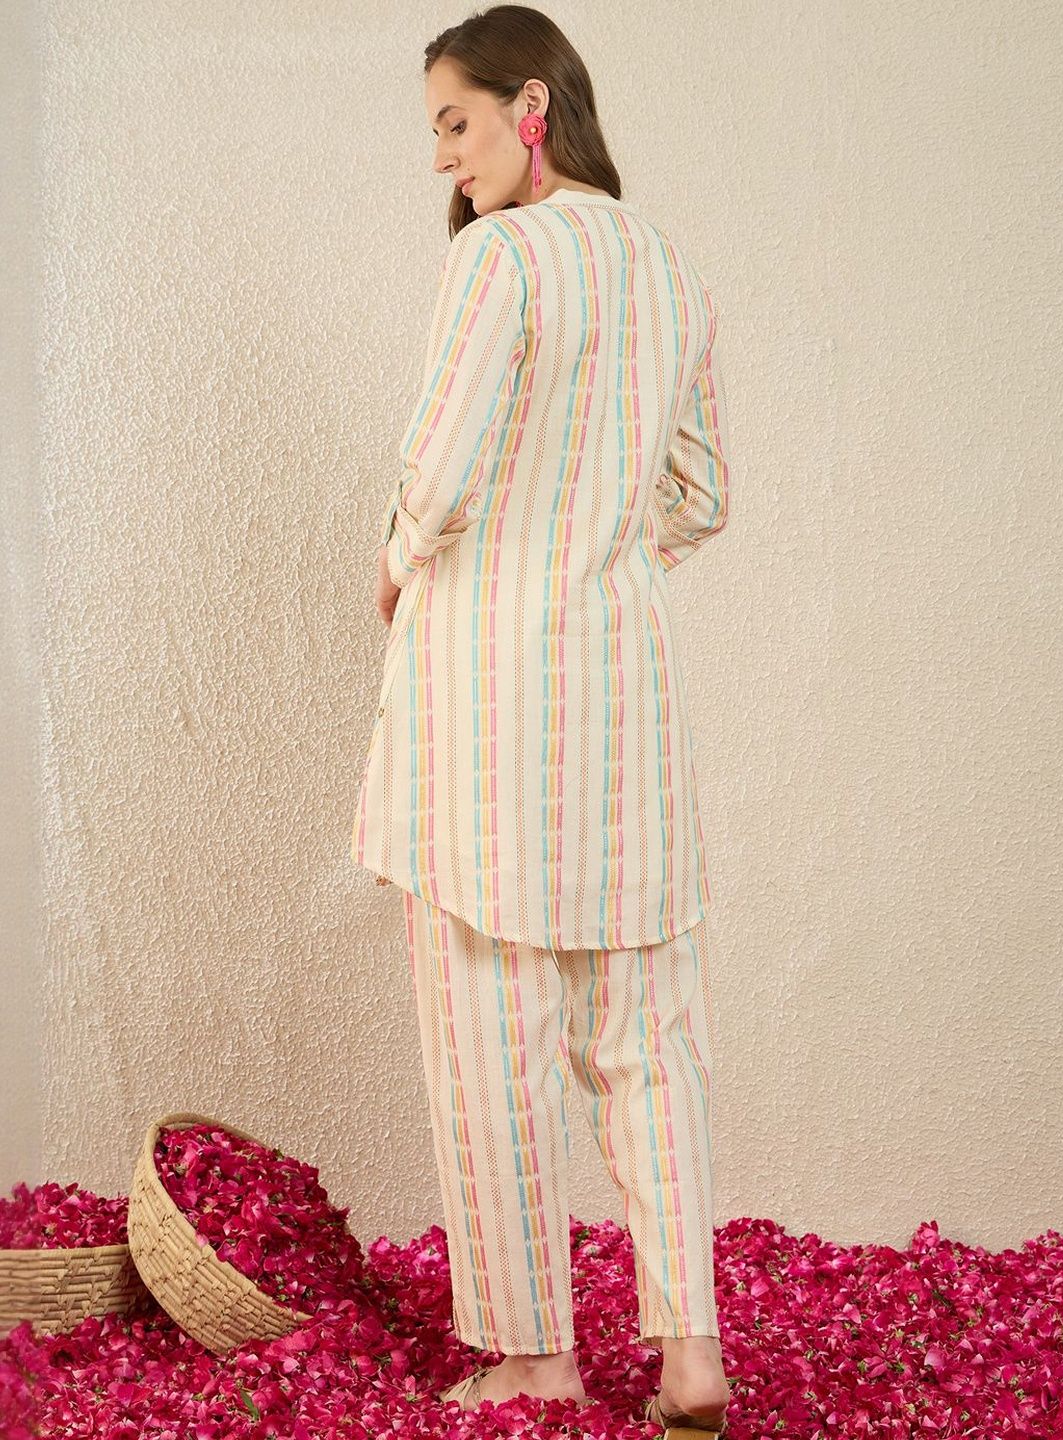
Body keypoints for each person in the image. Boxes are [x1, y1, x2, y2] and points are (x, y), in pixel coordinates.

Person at [351, 6, 733, 1435]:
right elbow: (701, 493)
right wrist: (597, 548)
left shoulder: (498, 258)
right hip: (625, 695)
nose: (442, 159)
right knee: (648, 1037)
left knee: (487, 1025)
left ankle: (533, 1354)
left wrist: (400, 558)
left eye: (453, 123)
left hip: (487, 702)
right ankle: (690, 1354)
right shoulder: (662, 260)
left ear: (529, 106)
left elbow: (442, 469)